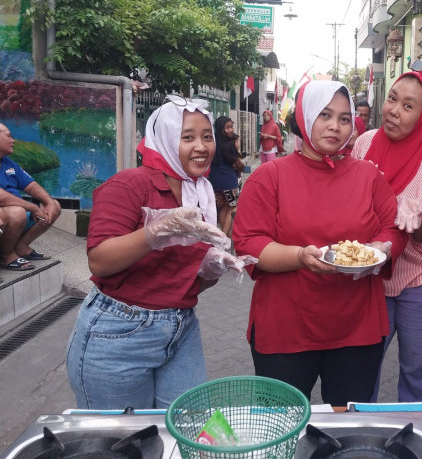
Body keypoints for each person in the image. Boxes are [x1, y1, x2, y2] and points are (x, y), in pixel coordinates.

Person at [66, 97, 251, 409]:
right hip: (117, 331)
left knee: (187, 427)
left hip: (181, 327)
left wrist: (211, 268)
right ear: (164, 138)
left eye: (207, 137)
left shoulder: (201, 193)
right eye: (187, 137)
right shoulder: (130, 185)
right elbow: (99, 259)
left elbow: (187, 279)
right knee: (125, 441)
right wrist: (154, 233)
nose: (201, 147)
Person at [232, 81, 407, 406]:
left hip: (356, 327)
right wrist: (300, 257)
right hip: (285, 328)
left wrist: (382, 248)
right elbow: (248, 244)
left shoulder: (369, 176)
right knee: (280, 425)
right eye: (325, 115)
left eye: (344, 118)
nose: (335, 126)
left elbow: (393, 229)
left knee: (344, 429)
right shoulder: (270, 177)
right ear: (304, 115)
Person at [352, 60, 422, 402]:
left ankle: (410, 441)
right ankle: (361, 442)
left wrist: (418, 220)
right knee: (362, 366)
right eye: (392, 99)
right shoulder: (364, 144)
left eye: (408, 106)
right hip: (375, 274)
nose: (394, 111)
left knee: (417, 374)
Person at [0, 122, 61, 271]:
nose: (13, 140)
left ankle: (21, 247)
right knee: (18, 213)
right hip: (7, 217)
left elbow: (31, 186)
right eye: (9, 136)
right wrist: (32, 207)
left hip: (16, 217)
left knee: (54, 205)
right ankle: (6, 255)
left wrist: (49, 203)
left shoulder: (8, 163)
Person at [208, 116, 245, 237]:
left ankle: (222, 234)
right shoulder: (229, 145)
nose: (231, 130)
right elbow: (239, 164)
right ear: (220, 129)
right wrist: (237, 148)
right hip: (228, 183)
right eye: (227, 128)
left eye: (231, 127)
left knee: (223, 208)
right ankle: (224, 237)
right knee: (232, 207)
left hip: (215, 182)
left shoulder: (212, 143)